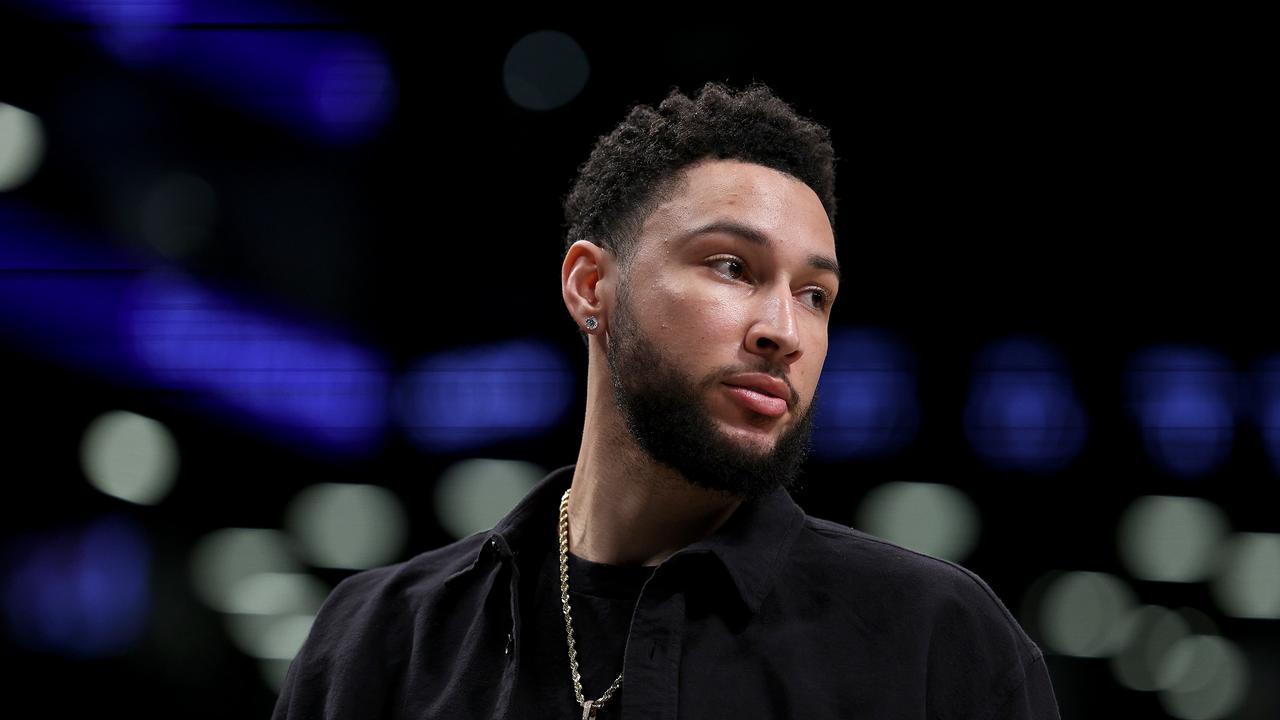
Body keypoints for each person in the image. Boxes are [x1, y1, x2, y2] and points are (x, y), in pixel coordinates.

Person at [271, 81, 1061, 719]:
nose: (783, 330)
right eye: (731, 267)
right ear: (591, 287)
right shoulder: (378, 641)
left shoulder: (938, 642)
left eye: (816, 295)